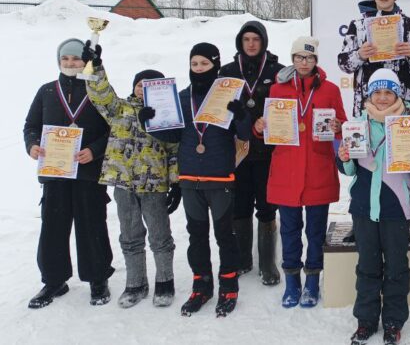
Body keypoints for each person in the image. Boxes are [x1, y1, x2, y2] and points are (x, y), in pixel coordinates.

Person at [141, 42, 251, 317]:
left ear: (215, 64)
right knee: (197, 236)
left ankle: (229, 284)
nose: (199, 69)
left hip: (220, 177)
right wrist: (150, 123)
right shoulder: (181, 97)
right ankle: (201, 284)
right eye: (195, 64)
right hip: (190, 178)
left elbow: (246, 134)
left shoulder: (227, 94)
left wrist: (241, 115)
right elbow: (172, 136)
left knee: (225, 235)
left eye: (204, 64)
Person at [338, 69, 410, 345]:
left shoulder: (408, 125)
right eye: (377, 92)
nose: (382, 98)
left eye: (388, 92)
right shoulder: (356, 124)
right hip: (364, 208)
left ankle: (393, 321)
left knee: (396, 267)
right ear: (369, 95)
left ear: (397, 94)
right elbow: (348, 169)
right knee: (367, 266)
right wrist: (343, 156)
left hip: (396, 209)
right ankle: (366, 320)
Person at [81, 42, 179, 308]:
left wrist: (175, 183)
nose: (142, 87)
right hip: (123, 183)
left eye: (149, 84)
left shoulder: (167, 115)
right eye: (139, 83)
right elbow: (100, 94)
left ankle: (165, 281)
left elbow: (173, 151)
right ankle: (135, 283)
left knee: (160, 237)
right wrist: (96, 66)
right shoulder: (120, 109)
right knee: (130, 236)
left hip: (154, 185)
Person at [255, 36, 347, 308]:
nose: (303, 62)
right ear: (292, 60)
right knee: (290, 230)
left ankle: (313, 281)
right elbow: (270, 129)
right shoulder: (279, 89)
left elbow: (341, 122)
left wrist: (337, 125)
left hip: (317, 169)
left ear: (316, 60)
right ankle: (292, 281)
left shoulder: (329, 89)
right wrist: (260, 127)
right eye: (298, 57)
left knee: (316, 231)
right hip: (286, 171)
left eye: (309, 58)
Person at [23, 38, 113, 308]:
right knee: (53, 227)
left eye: (76, 59)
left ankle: (98, 278)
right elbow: (31, 125)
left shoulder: (97, 91)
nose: (71, 63)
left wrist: (94, 151)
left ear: (85, 62)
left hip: (87, 172)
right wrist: (33, 146)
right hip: (55, 172)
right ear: (59, 62)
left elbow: (113, 128)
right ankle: (53, 280)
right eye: (66, 59)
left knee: (92, 224)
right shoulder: (46, 91)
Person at [219, 20, 285, 286]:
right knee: (239, 204)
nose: (251, 44)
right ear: (240, 42)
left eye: (255, 39)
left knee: (267, 205)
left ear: (263, 42)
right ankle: (243, 257)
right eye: (246, 39)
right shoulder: (227, 71)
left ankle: (268, 262)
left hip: (267, 150)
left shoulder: (277, 71)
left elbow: (284, 105)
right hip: (236, 150)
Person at [338, 0, 410, 118]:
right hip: (366, 103)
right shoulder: (358, 25)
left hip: (402, 102)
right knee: (369, 141)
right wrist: (360, 55)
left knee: (400, 141)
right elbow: (344, 65)